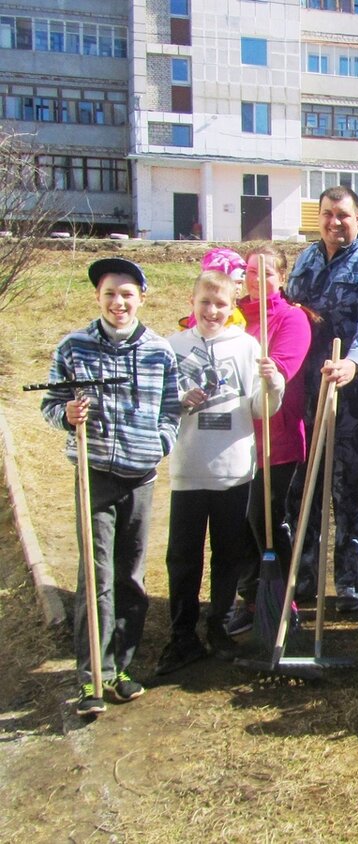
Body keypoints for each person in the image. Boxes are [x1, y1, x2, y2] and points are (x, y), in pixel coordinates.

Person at [41, 257, 182, 716]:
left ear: (141, 297)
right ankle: (91, 677)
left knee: (130, 574)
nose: (118, 302)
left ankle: (122, 667)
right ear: (98, 298)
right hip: (95, 473)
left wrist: (159, 442)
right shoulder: (74, 347)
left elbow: (172, 408)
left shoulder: (160, 351)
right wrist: (66, 416)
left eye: (126, 294)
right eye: (109, 294)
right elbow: (51, 401)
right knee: (96, 575)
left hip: (140, 476)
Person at [157, 267, 284, 675]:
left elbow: (260, 409)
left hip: (233, 471)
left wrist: (273, 384)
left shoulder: (247, 347)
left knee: (228, 555)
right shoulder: (171, 347)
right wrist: (179, 399)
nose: (212, 310)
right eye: (205, 303)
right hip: (189, 469)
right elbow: (158, 405)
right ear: (192, 304)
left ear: (232, 308)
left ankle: (219, 626)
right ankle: (182, 635)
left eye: (221, 304)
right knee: (183, 557)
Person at [286, 185, 358, 612]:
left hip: (351, 393)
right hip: (304, 393)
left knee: (349, 489)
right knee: (304, 486)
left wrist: (354, 363)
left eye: (344, 216)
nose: (335, 223)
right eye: (328, 215)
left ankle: (352, 583)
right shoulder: (307, 258)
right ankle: (304, 576)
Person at [226, 244, 312, 636]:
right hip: (231, 440)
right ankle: (248, 599)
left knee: (268, 522)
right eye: (251, 272)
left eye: (267, 273)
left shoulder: (292, 319)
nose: (257, 280)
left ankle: (282, 599)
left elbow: (284, 367)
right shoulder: (231, 315)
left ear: (281, 277)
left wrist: (264, 371)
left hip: (276, 440)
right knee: (238, 526)